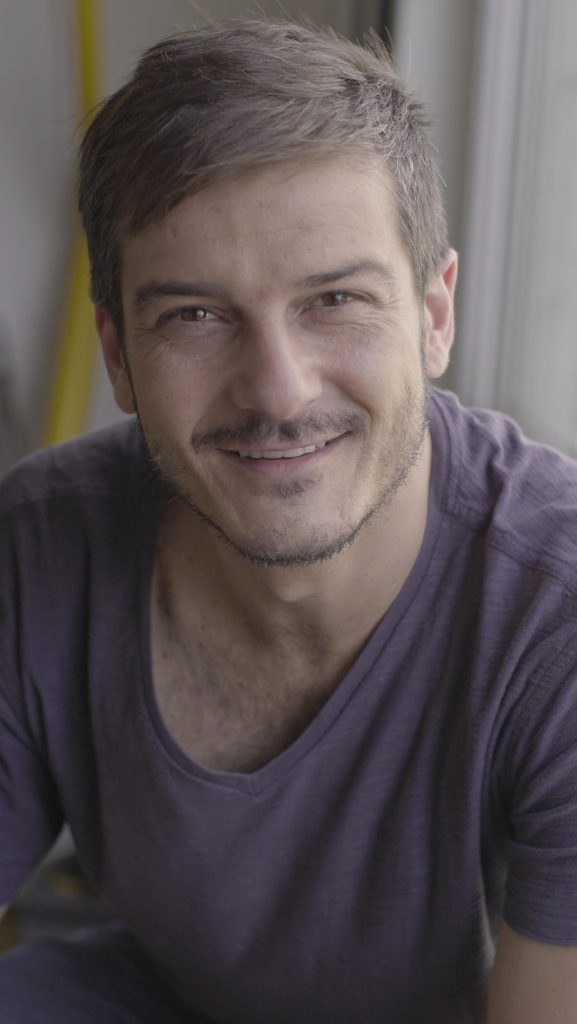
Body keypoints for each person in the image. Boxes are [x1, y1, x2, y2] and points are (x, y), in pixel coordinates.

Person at [1, 17, 577, 1024]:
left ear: (433, 314)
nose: (277, 389)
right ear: (118, 356)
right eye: (194, 315)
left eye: (335, 300)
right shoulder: (39, 549)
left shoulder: (553, 616)